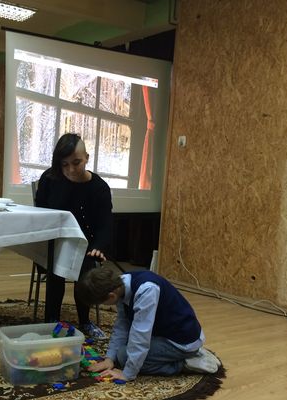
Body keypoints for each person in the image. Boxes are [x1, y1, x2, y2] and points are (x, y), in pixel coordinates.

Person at [75, 266, 222, 381]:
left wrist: (127, 374)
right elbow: (122, 325)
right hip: (164, 332)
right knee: (122, 352)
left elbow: (141, 336)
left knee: (124, 356)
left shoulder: (146, 290)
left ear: (111, 296)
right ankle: (177, 356)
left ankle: (184, 363)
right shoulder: (120, 285)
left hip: (182, 341)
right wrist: (109, 359)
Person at [35, 133, 112, 339]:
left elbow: (105, 224)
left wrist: (98, 247)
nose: (70, 169)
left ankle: (85, 321)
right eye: (64, 164)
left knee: (84, 270)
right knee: (55, 266)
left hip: (85, 245)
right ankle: (51, 319)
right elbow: (40, 213)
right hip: (55, 241)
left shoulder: (100, 188)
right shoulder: (50, 179)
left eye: (76, 163)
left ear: (87, 158)